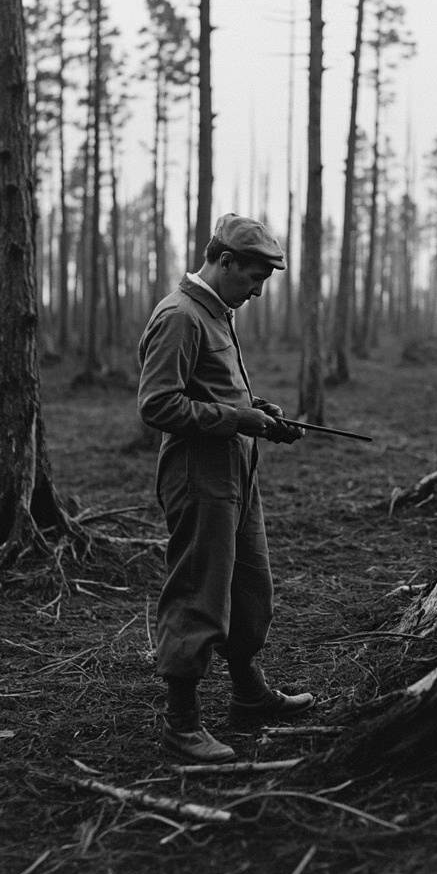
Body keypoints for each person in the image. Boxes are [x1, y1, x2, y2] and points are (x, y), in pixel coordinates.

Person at [137, 213, 314, 763]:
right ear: (224, 261)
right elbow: (158, 405)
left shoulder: (220, 312)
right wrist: (237, 420)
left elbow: (215, 391)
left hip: (238, 470)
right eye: (253, 278)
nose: (258, 291)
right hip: (198, 473)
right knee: (199, 591)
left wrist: (258, 412)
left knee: (249, 585)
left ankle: (249, 693)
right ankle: (181, 722)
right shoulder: (180, 316)